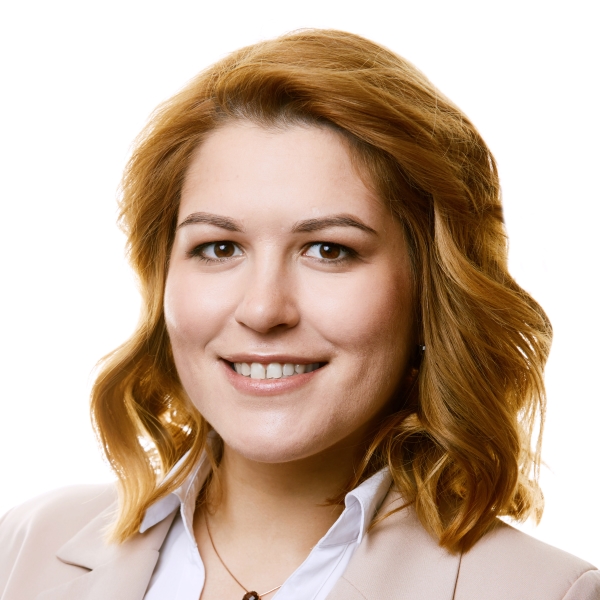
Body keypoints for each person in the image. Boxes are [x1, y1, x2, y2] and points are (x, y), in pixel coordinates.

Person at [0, 29, 598, 600]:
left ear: (429, 290)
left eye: (329, 250)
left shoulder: (549, 592)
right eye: (219, 248)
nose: (263, 310)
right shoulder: (24, 548)